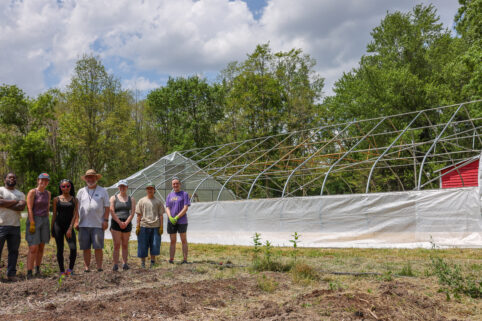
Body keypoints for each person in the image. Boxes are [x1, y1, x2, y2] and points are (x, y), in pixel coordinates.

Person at [76, 169, 109, 272]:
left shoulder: (103, 191)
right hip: (83, 224)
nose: (90, 179)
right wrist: (76, 221)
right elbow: (76, 208)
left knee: (98, 247)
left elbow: (107, 207)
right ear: (85, 179)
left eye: (92, 177)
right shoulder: (81, 191)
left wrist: (106, 220)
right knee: (85, 247)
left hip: (98, 224)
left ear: (96, 178)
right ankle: (87, 267)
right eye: (88, 177)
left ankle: (99, 267)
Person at [0, 173, 26, 281]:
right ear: (5, 179)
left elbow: (21, 207)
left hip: (15, 226)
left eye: (14, 177)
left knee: (14, 251)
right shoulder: (1, 190)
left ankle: (11, 274)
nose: (12, 179)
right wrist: (15, 202)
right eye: (10, 177)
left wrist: (5, 203)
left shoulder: (20, 193)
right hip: (1, 225)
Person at [26, 173, 51, 278]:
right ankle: (29, 271)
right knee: (33, 247)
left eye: (46, 180)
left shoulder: (48, 193)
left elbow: (47, 208)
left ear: (48, 182)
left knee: (41, 246)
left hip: (45, 220)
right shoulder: (33, 192)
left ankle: (37, 269)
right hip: (35, 219)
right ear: (38, 180)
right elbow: (29, 208)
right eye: (42, 180)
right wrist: (32, 222)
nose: (43, 182)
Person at [51, 179, 78, 276]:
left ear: (71, 187)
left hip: (69, 226)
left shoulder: (74, 200)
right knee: (60, 249)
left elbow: (75, 214)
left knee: (73, 248)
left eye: (68, 186)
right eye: (63, 186)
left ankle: (70, 270)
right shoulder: (56, 199)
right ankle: (62, 271)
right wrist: (52, 229)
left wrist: (70, 228)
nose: (66, 188)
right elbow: (54, 215)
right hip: (58, 226)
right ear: (60, 187)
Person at [135, 183, 164, 268]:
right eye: (148, 189)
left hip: (155, 226)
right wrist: (138, 226)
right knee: (143, 244)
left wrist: (161, 226)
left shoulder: (158, 202)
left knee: (154, 244)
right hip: (144, 226)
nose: (150, 190)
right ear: (146, 190)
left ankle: (152, 262)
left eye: (151, 189)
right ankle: (143, 263)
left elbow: (161, 215)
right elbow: (138, 215)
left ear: (154, 190)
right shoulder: (141, 201)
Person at [109, 180, 135, 271]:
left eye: (124, 186)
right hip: (116, 223)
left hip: (126, 223)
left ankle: (125, 263)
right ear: (118, 188)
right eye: (120, 186)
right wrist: (119, 222)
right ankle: (115, 264)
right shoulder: (113, 198)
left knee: (125, 244)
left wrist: (126, 223)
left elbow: (132, 213)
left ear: (127, 187)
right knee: (116, 244)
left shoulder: (131, 199)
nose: (122, 188)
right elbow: (111, 211)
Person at [166, 177, 190, 264]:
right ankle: (171, 259)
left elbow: (185, 207)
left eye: (177, 183)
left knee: (183, 239)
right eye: (174, 184)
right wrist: (170, 217)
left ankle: (185, 259)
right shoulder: (169, 195)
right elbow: (167, 207)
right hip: (171, 222)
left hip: (182, 221)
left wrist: (177, 217)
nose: (175, 185)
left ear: (180, 184)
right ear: (172, 185)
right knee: (172, 240)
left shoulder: (184, 194)